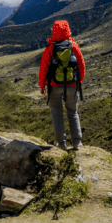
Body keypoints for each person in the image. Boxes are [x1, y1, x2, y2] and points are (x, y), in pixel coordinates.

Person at [39, 20, 85, 151]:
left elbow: (43, 69)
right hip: (71, 85)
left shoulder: (50, 48)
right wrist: (79, 81)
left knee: (57, 113)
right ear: (68, 30)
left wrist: (42, 85)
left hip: (54, 86)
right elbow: (82, 65)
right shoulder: (74, 46)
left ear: (54, 31)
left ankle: (62, 144)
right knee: (73, 112)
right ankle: (77, 143)